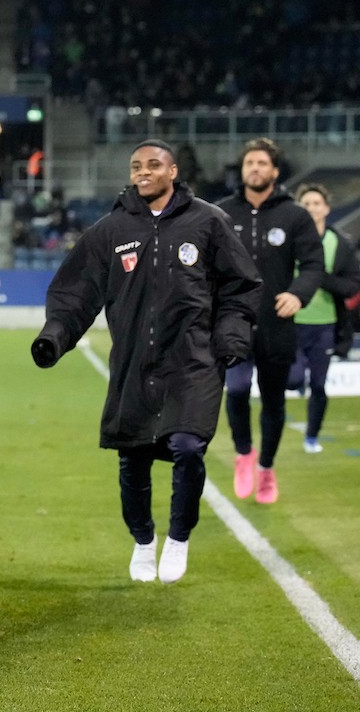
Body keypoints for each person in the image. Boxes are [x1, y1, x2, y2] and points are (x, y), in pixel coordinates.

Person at [32, 139, 261, 584]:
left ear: (172, 171)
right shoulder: (111, 230)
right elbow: (75, 292)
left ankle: (178, 537)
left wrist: (231, 337)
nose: (143, 172)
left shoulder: (209, 221)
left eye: (154, 165)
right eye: (136, 166)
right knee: (133, 457)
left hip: (194, 360)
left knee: (188, 447)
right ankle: (143, 539)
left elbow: (241, 285)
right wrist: (54, 337)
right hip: (134, 361)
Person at [217, 138, 324, 503]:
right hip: (233, 321)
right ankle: (244, 454)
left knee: (274, 402)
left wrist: (298, 294)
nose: (255, 168)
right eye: (250, 162)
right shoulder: (222, 213)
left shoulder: (295, 215)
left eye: (262, 163)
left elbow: (313, 265)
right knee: (235, 390)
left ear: (275, 171)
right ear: (242, 169)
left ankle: (266, 467)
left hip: (276, 324)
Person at [288, 183, 360, 453]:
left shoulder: (340, 244)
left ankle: (311, 437)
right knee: (293, 379)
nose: (311, 208)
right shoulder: (287, 241)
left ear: (327, 209)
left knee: (319, 385)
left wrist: (319, 278)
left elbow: (352, 285)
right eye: (306, 204)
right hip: (290, 323)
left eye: (316, 203)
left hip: (325, 326)